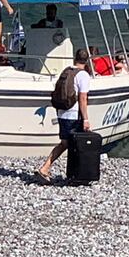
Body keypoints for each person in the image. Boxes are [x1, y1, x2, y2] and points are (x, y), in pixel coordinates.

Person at [35, 49, 92, 182]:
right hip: (73, 114)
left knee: (67, 143)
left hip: (62, 111)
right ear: (87, 60)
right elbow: (83, 98)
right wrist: (86, 119)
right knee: (68, 144)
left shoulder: (67, 71)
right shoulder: (83, 75)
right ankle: (46, 168)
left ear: (74, 58)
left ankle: (71, 172)